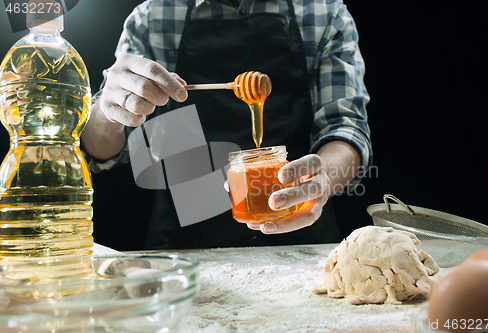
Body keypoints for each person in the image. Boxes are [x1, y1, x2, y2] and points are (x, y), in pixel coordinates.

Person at [81, 0, 372, 250]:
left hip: (300, 230)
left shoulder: (323, 12)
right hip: (186, 244)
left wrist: (322, 180)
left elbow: (346, 129)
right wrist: (107, 114)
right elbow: (103, 150)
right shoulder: (153, 18)